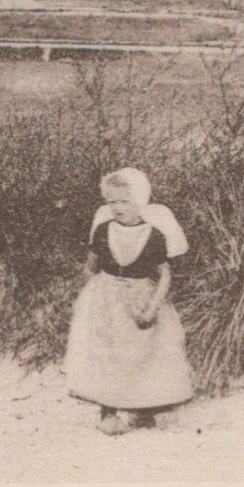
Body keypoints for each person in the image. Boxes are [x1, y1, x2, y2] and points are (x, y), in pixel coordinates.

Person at [64, 167, 194, 434]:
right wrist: (88, 293)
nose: (117, 207)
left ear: (140, 200)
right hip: (107, 298)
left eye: (124, 201)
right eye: (111, 201)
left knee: (142, 353)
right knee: (108, 353)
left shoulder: (154, 235)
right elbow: (91, 265)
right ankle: (108, 412)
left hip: (141, 296)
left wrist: (153, 305)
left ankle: (142, 409)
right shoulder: (103, 229)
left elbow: (164, 275)